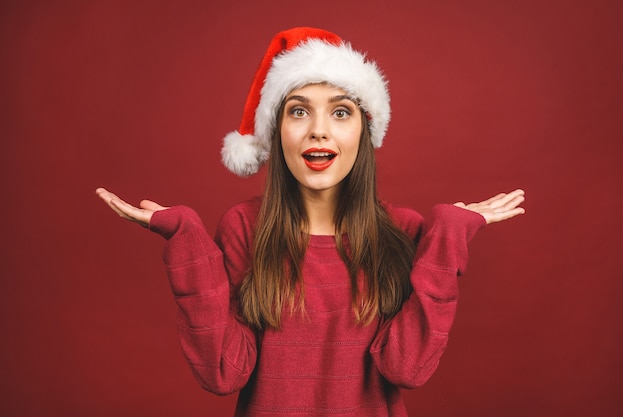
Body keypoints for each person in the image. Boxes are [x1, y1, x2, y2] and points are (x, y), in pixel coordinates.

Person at [96, 27, 524, 417]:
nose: (319, 131)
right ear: (276, 130)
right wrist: (187, 237)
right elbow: (223, 374)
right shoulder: (245, 227)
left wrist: (448, 233)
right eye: (299, 112)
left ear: (365, 130)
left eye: (341, 113)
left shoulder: (403, 231)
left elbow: (406, 368)